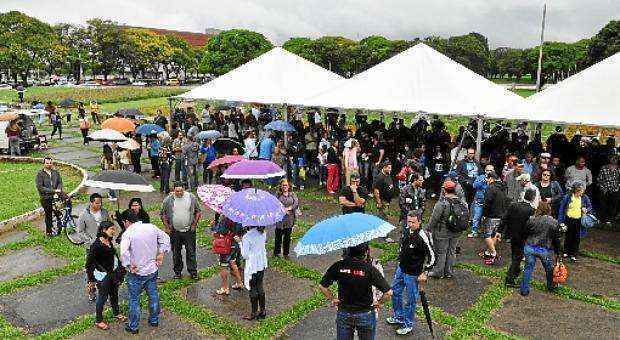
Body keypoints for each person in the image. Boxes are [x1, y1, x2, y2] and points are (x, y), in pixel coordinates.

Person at [319, 243, 392, 339]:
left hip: (344, 313)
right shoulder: (370, 269)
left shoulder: (338, 266)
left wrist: (333, 298)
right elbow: (388, 293)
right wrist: (379, 303)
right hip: (366, 313)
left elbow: (322, 286)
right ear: (366, 253)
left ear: (348, 251)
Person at [120, 212, 171, 334]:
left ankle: (133, 326)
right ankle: (154, 319)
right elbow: (166, 238)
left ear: (126, 222)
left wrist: (128, 264)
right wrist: (161, 253)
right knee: (153, 295)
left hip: (136, 272)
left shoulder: (128, 233)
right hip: (152, 270)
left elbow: (123, 252)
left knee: (134, 300)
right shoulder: (151, 227)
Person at [386, 212, 434, 335]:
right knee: (395, 292)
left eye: (413, 222)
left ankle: (408, 325)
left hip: (413, 274)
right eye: (409, 221)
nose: (410, 224)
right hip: (401, 269)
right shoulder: (406, 231)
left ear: (419, 222)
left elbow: (433, 257)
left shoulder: (423, 236)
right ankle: (398, 316)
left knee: (410, 300)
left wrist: (425, 272)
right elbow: (402, 246)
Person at [86, 221, 127, 330]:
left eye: (114, 229)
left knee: (114, 294)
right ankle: (98, 320)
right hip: (103, 276)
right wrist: (91, 281)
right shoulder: (96, 245)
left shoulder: (109, 241)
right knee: (102, 297)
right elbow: (88, 264)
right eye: (111, 229)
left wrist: (120, 269)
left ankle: (116, 313)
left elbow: (113, 255)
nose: (114, 231)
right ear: (104, 230)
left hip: (113, 274)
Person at [160, 182, 201, 279]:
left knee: (191, 252)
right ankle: (177, 272)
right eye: (177, 191)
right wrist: (167, 227)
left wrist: (194, 224)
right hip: (175, 231)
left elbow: (198, 211)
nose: (179, 193)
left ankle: (193, 272)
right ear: (173, 190)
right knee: (176, 252)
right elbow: (162, 214)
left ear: (184, 189)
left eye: (181, 191)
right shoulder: (168, 200)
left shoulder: (191, 197)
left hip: (189, 231)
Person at [519, 203, 561, 296]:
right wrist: (558, 252)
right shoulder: (553, 222)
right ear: (548, 210)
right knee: (549, 269)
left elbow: (525, 233)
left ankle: (524, 290)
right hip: (544, 249)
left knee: (528, 269)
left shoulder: (532, 220)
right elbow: (556, 239)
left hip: (530, 247)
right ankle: (551, 287)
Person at [426, 180, 466, 279]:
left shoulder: (441, 203)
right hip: (456, 231)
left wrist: (428, 228)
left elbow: (434, 219)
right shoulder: (462, 202)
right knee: (451, 251)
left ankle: (439, 272)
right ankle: (448, 272)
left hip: (442, 232)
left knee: (441, 252)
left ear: (444, 190)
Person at [497, 189, 536, 287]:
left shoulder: (514, 205)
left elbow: (505, 218)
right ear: (533, 198)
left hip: (511, 235)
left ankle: (515, 271)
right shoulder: (531, 210)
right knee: (517, 257)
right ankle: (510, 279)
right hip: (522, 237)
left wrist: (499, 231)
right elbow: (530, 226)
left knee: (515, 254)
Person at [558, 181, 593, 262]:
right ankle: (566, 251)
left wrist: (586, 210)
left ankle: (574, 254)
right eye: (581, 190)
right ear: (576, 190)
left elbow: (590, 207)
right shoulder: (568, 197)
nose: (582, 191)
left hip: (578, 220)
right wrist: (560, 221)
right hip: (568, 219)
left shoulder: (584, 198)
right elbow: (562, 209)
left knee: (577, 237)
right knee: (568, 236)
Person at [239, 226, 268, 321]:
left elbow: (245, 255)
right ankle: (263, 310)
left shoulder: (247, 236)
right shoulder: (263, 232)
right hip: (261, 263)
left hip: (252, 265)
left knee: (252, 288)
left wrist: (240, 243)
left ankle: (254, 312)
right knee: (260, 286)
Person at [481, 172, 508, 264]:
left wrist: (484, 214)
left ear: (491, 179)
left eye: (487, 179)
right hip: (501, 215)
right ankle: (489, 252)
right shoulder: (503, 187)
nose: (487, 181)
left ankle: (493, 253)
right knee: (494, 235)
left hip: (492, 215)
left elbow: (487, 203)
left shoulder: (490, 188)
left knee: (487, 235)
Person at [212, 216, 244, 296]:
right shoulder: (239, 218)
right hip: (234, 244)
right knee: (233, 263)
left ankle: (225, 287)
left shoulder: (226, 218)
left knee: (223, 266)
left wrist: (214, 226)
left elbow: (221, 231)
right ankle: (239, 282)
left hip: (226, 246)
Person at [35, 157, 64, 236]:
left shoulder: (55, 172)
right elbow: (40, 187)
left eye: (50, 163)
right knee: (48, 215)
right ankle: (49, 232)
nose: (49, 164)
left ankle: (59, 227)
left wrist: (58, 189)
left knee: (59, 212)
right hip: (46, 197)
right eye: (47, 163)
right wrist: (53, 191)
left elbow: (60, 182)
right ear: (44, 164)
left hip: (56, 196)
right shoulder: (40, 174)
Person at [274, 179, 299, 258]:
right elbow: (275, 204)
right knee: (278, 236)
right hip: (280, 219)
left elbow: (296, 203)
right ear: (281, 186)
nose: (285, 187)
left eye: (286, 185)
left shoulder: (292, 194)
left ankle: (286, 253)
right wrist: (283, 210)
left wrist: (290, 208)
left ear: (289, 186)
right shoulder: (278, 195)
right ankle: (277, 252)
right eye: (283, 185)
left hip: (289, 219)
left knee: (287, 237)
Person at [469, 164, 495, 238]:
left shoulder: (495, 178)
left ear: (493, 171)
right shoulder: (481, 177)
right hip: (479, 201)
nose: (489, 172)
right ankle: (474, 231)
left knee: (487, 218)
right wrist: (483, 181)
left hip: (489, 202)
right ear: (485, 171)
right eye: (487, 170)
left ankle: (486, 232)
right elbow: (474, 185)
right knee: (477, 216)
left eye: (490, 170)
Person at [596, 156, 620, 224]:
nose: (614, 160)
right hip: (604, 190)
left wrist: (617, 187)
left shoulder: (619, 169)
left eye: (616, 159)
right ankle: (603, 220)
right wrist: (603, 188)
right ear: (610, 159)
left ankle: (610, 220)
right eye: (613, 158)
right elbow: (599, 179)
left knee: (613, 206)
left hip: (615, 190)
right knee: (603, 205)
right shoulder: (604, 168)